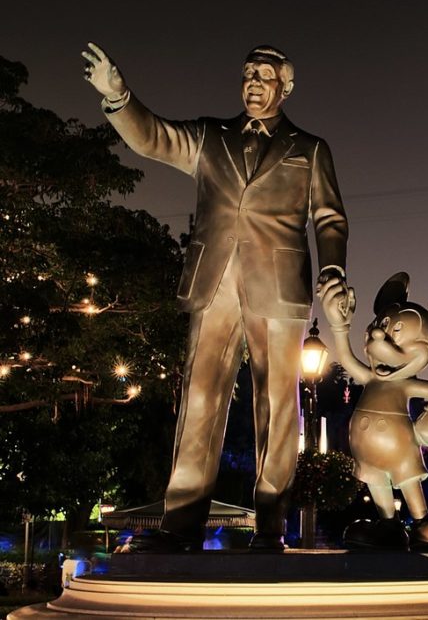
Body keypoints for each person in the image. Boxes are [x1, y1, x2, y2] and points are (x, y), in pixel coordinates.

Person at [82, 43, 349, 552]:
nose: (252, 81)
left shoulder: (310, 148)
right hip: (214, 281)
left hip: (278, 284)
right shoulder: (210, 137)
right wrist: (119, 98)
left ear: (284, 87)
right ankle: (180, 524)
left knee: (276, 404)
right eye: (247, 72)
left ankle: (270, 527)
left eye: (264, 75)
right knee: (200, 399)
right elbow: (154, 139)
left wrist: (333, 267)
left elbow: (330, 217)